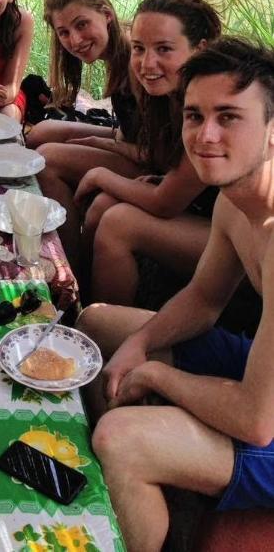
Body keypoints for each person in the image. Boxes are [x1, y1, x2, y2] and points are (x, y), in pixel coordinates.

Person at [78, 37, 274, 552]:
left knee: (118, 437)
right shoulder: (238, 198)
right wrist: (142, 344)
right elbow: (204, 300)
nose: (205, 136)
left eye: (228, 117)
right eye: (194, 116)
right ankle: (123, 489)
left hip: (265, 417)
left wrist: (155, 372)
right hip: (260, 371)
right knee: (95, 324)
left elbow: (256, 422)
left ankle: (141, 472)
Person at [76, 0, 222, 304]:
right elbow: (161, 161)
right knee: (102, 206)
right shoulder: (168, 95)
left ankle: (106, 335)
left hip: (250, 238)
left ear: (200, 49)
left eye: (164, 49)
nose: (147, 63)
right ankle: (79, 301)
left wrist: (100, 174)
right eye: (139, 48)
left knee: (118, 223)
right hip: (206, 213)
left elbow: (164, 203)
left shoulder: (212, 104)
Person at [28, 0, 142, 256]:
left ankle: (72, 262)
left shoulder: (136, 61)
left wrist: (103, 143)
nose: (75, 41)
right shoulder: (114, 53)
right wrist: (110, 139)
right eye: (64, 32)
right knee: (41, 132)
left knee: (47, 160)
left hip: (148, 161)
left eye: (82, 25)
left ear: (106, 13)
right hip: (129, 140)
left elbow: (160, 154)